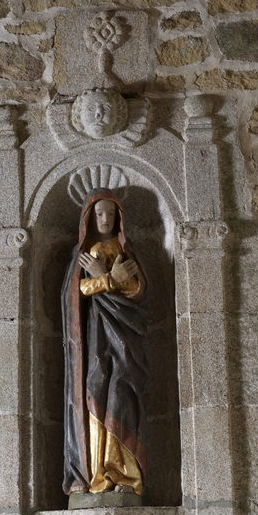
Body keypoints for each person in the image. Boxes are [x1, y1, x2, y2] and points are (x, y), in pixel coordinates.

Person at [61, 188, 148, 498]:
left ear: (119, 219)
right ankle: (97, 474)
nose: (105, 219)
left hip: (124, 336)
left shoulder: (125, 250)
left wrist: (112, 278)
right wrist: (108, 278)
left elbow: (137, 289)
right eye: (99, 213)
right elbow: (74, 293)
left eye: (111, 214)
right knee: (94, 389)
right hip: (95, 337)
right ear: (89, 218)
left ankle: (127, 473)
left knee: (121, 393)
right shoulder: (83, 254)